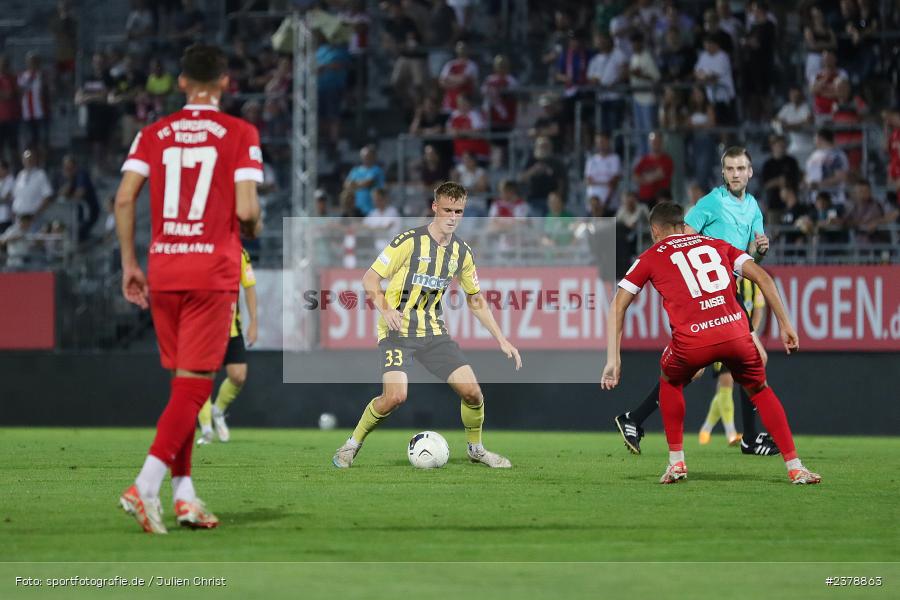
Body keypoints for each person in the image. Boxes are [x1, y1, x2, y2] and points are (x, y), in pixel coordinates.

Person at [114, 43, 262, 534]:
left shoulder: (153, 133)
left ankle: (185, 497)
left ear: (180, 83)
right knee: (196, 386)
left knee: (184, 388)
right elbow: (245, 211)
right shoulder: (240, 133)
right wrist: (255, 224)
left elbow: (123, 199)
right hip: (210, 273)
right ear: (224, 82)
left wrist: (130, 264)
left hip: (164, 270)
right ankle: (146, 485)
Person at [601, 202, 821, 485]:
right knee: (760, 390)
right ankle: (795, 467)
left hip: (693, 341)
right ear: (683, 224)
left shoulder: (650, 256)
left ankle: (676, 463)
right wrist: (785, 324)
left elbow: (618, 305)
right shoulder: (716, 244)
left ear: (655, 230)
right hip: (736, 334)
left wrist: (613, 358)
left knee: (670, 380)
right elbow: (764, 278)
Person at [332, 182, 522, 469]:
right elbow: (369, 279)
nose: (452, 217)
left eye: (458, 211)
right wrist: (386, 309)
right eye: (447, 210)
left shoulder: (462, 252)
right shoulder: (408, 242)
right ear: (435, 207)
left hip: (433, 332)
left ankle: (476, 449)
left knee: (473, 392)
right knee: (395, 397)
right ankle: (351, 445)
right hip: (396, 331)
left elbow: (475, 299)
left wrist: (501, 339)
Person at [614, 147, 780, 457]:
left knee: (712, 367)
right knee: (741, 361)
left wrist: (761, 249)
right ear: (723, 172)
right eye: (730, 169)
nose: (735, 174)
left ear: (750, 172)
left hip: (731, 292)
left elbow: (750, 256)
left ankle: (635, 418)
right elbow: (680, 241)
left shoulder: (754, 207)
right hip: (709, 295)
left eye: (740, 168)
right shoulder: (709, 204)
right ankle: (750, 438)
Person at [196, 246, 257, 445]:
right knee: (203, 376)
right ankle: (206, 429)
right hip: (202, 325)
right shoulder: (199, 248)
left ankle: (218, 410)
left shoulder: (239, 253)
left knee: (238, 376)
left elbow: (249, 287)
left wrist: (254, 322)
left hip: (231, 327)